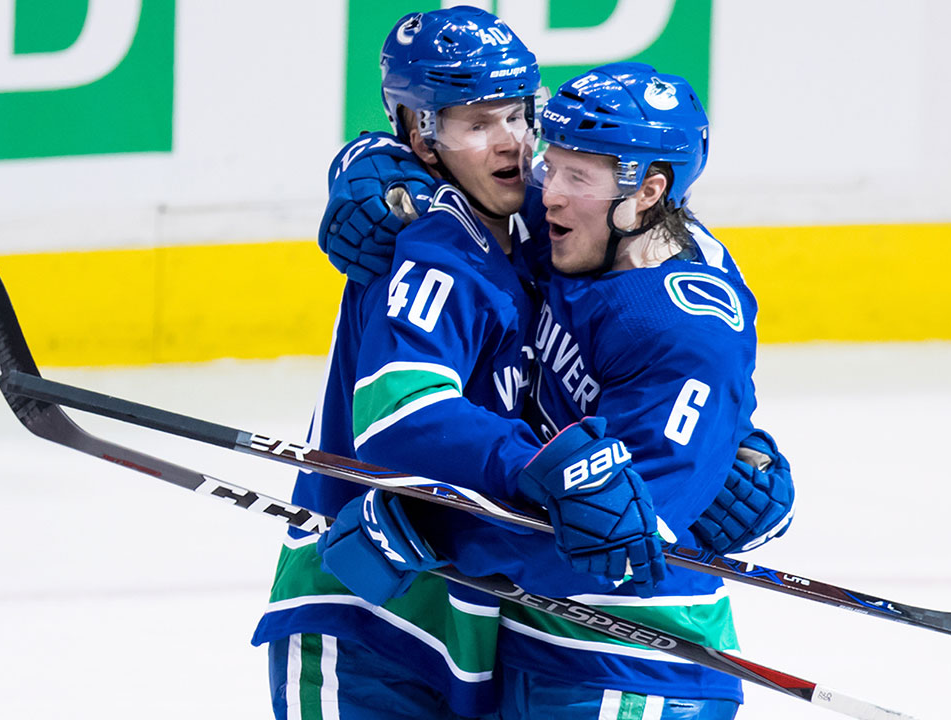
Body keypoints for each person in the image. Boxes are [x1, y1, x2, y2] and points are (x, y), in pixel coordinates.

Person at [315, 63, 798, 719]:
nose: (549, 192)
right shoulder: (585, 229)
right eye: (552, 162)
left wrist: (440, 529)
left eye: (578, 175)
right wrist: (367, 164)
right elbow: (451, 149)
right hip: (532, 655)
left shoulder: (686, 329)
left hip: (634, 668)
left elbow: (620, 540)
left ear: (648, 191)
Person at [251, 9, 666, 719]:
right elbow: (402, 414)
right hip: (364, 611)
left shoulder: (542, 225)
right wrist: (536, 466)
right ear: (419, 135)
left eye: (517, 114)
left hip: (471, 615)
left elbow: (652, 291)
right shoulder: (428, 242)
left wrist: (722, 438)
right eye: (476, 124)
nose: (511, 142)